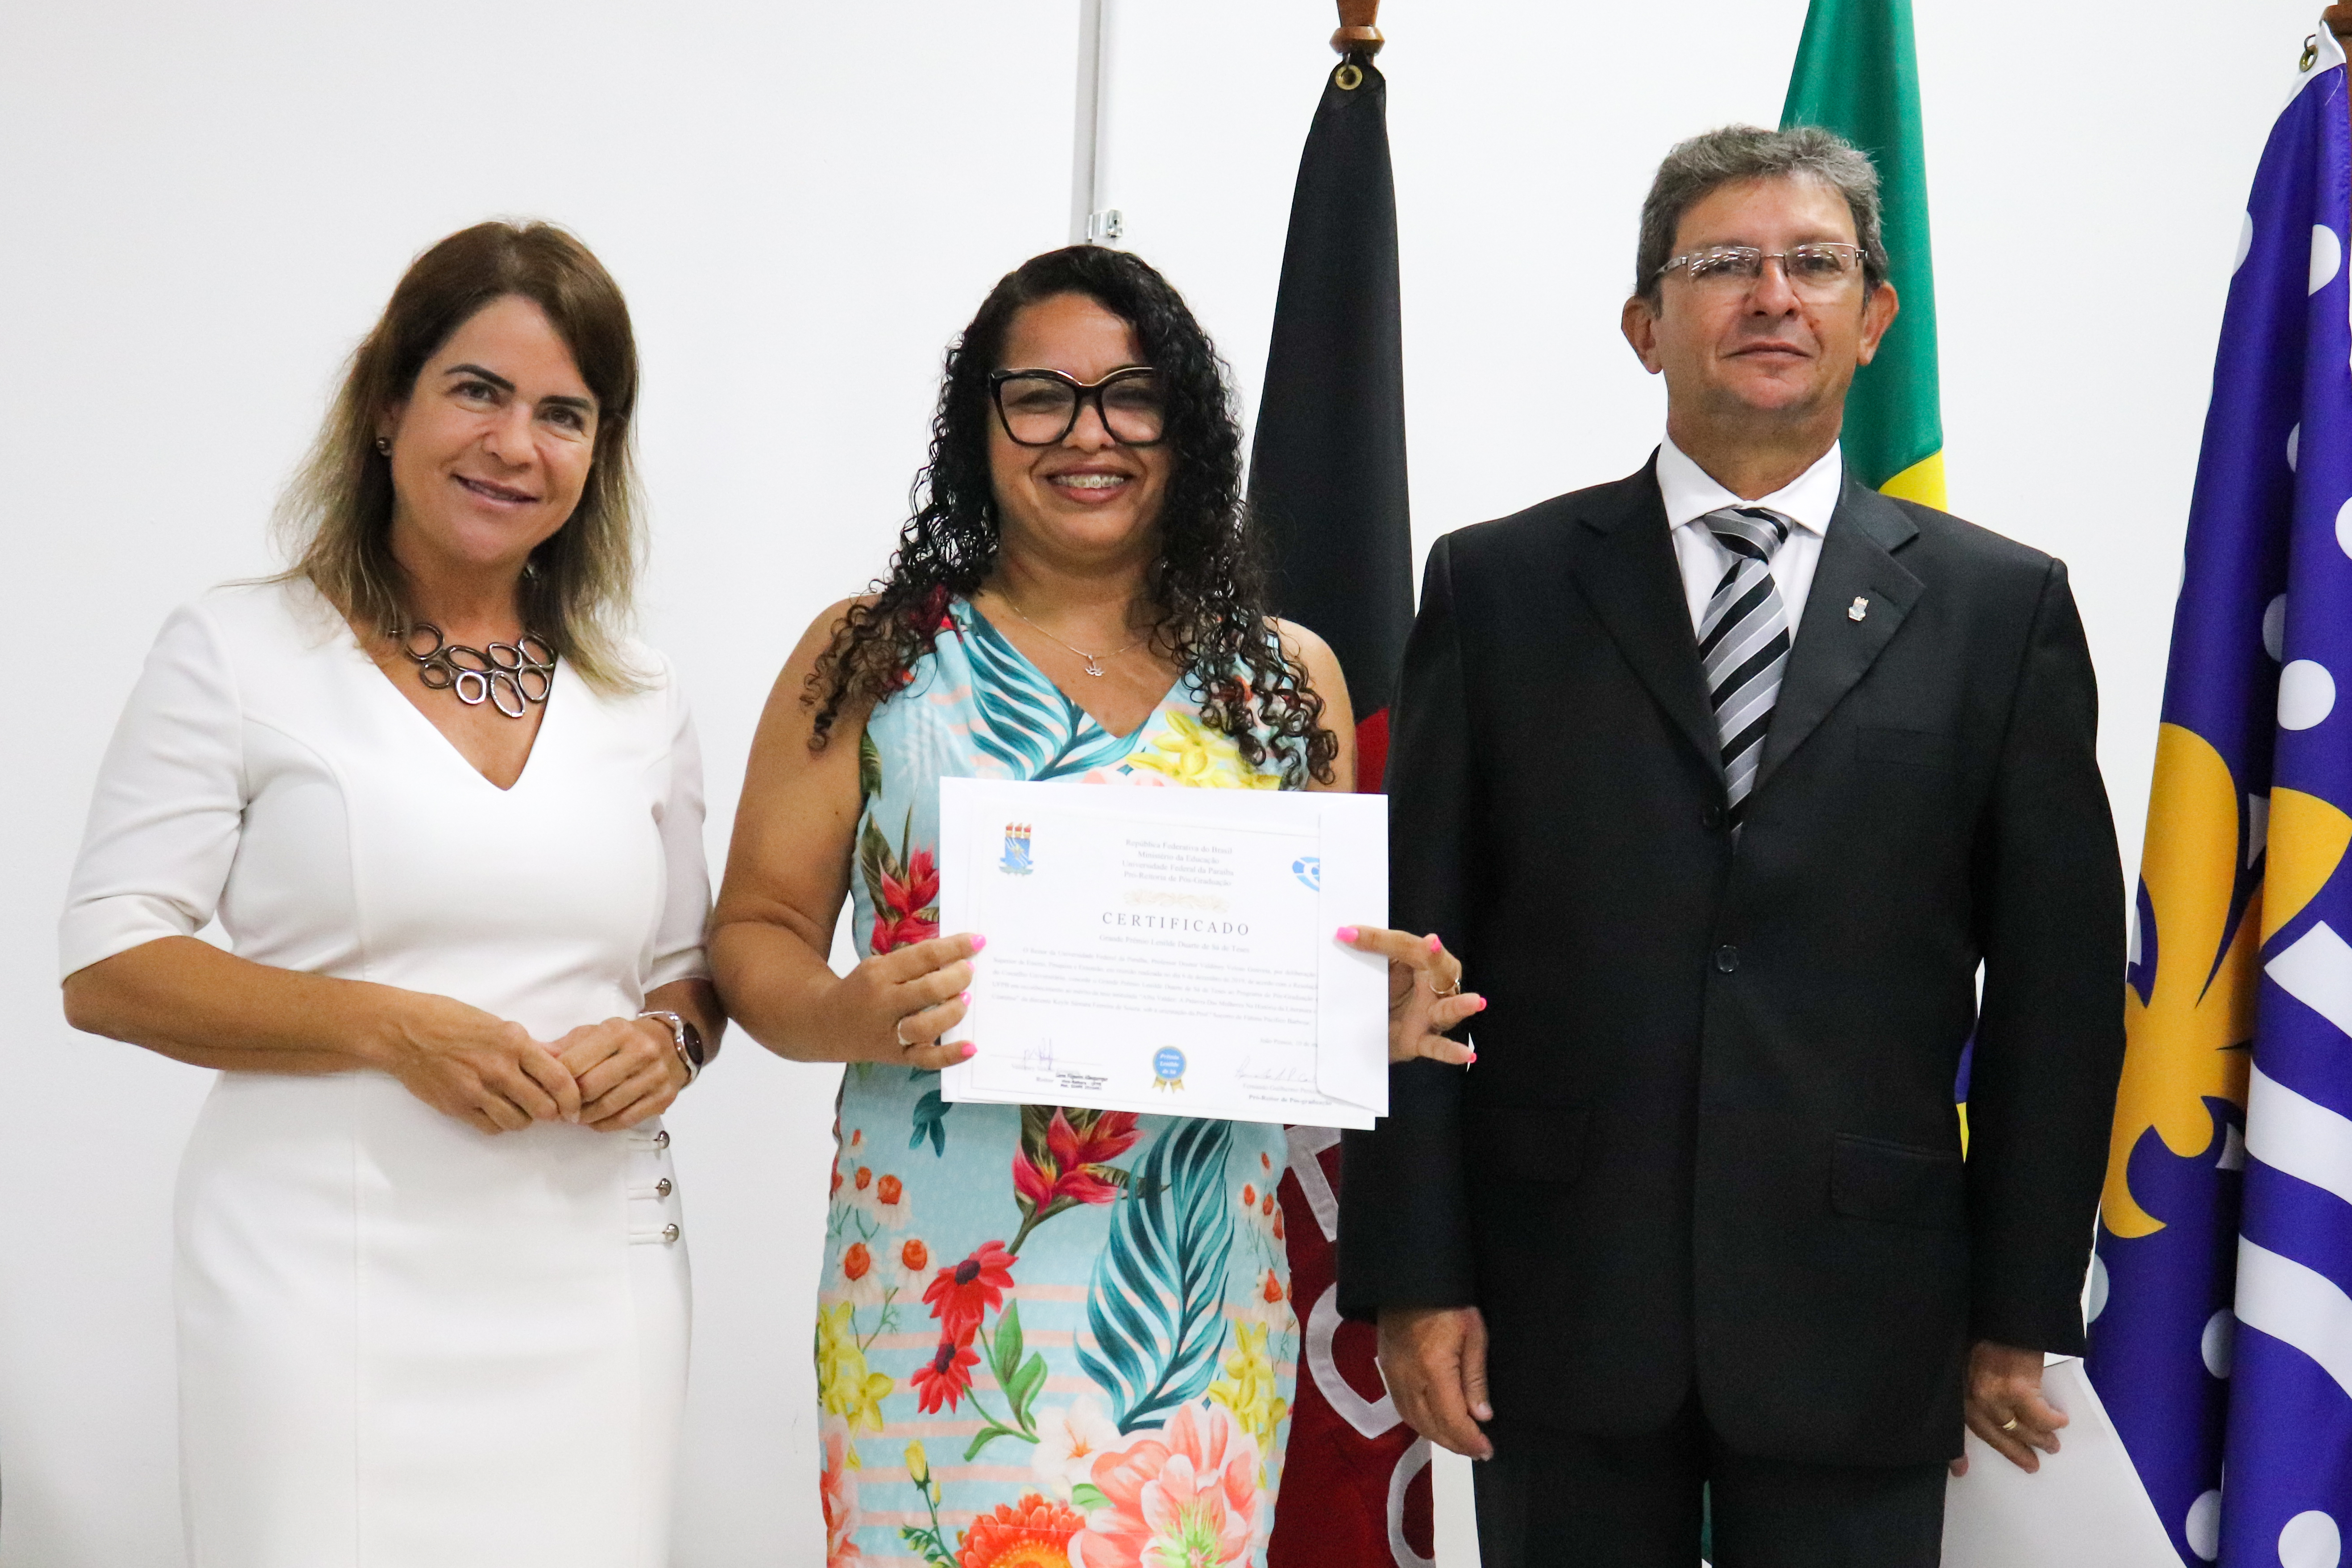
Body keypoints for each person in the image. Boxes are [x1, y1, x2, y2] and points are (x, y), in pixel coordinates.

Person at [1337, 125, 2127, 1568]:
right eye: (1725, 265)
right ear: (1647, 325)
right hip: (1555, 1297)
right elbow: (1414, 954)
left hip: (1865, 1303)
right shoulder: (1498, 586)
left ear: (1876, 319)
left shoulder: (1999, 611)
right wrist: (1412, 1271)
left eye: (1816, 264)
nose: (1775, 294)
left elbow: (2059, 997)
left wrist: (2022, 1303)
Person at [708, 244, 1473, 1568]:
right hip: (939, 1299)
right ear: (980, 424)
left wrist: (1370, 1011)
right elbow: (752, 934)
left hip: (1194, 1299)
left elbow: (1306, 979)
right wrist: (843, 1008)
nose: (1088, 434)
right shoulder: (875, 654)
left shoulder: (1284, 683)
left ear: (1186, 426)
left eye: (1131, 395)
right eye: (1041, 397)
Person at [58, 221, 722, 1568]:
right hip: (318, 1283)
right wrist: (387, 1027)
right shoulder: (238, 649)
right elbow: (110, 961)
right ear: (386, 405)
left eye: (563, 413)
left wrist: (667, 1041)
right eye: (475, 389)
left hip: (594, 1283)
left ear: (599, 456)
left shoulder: (641, 691)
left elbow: (689, 967)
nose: (513, 444)